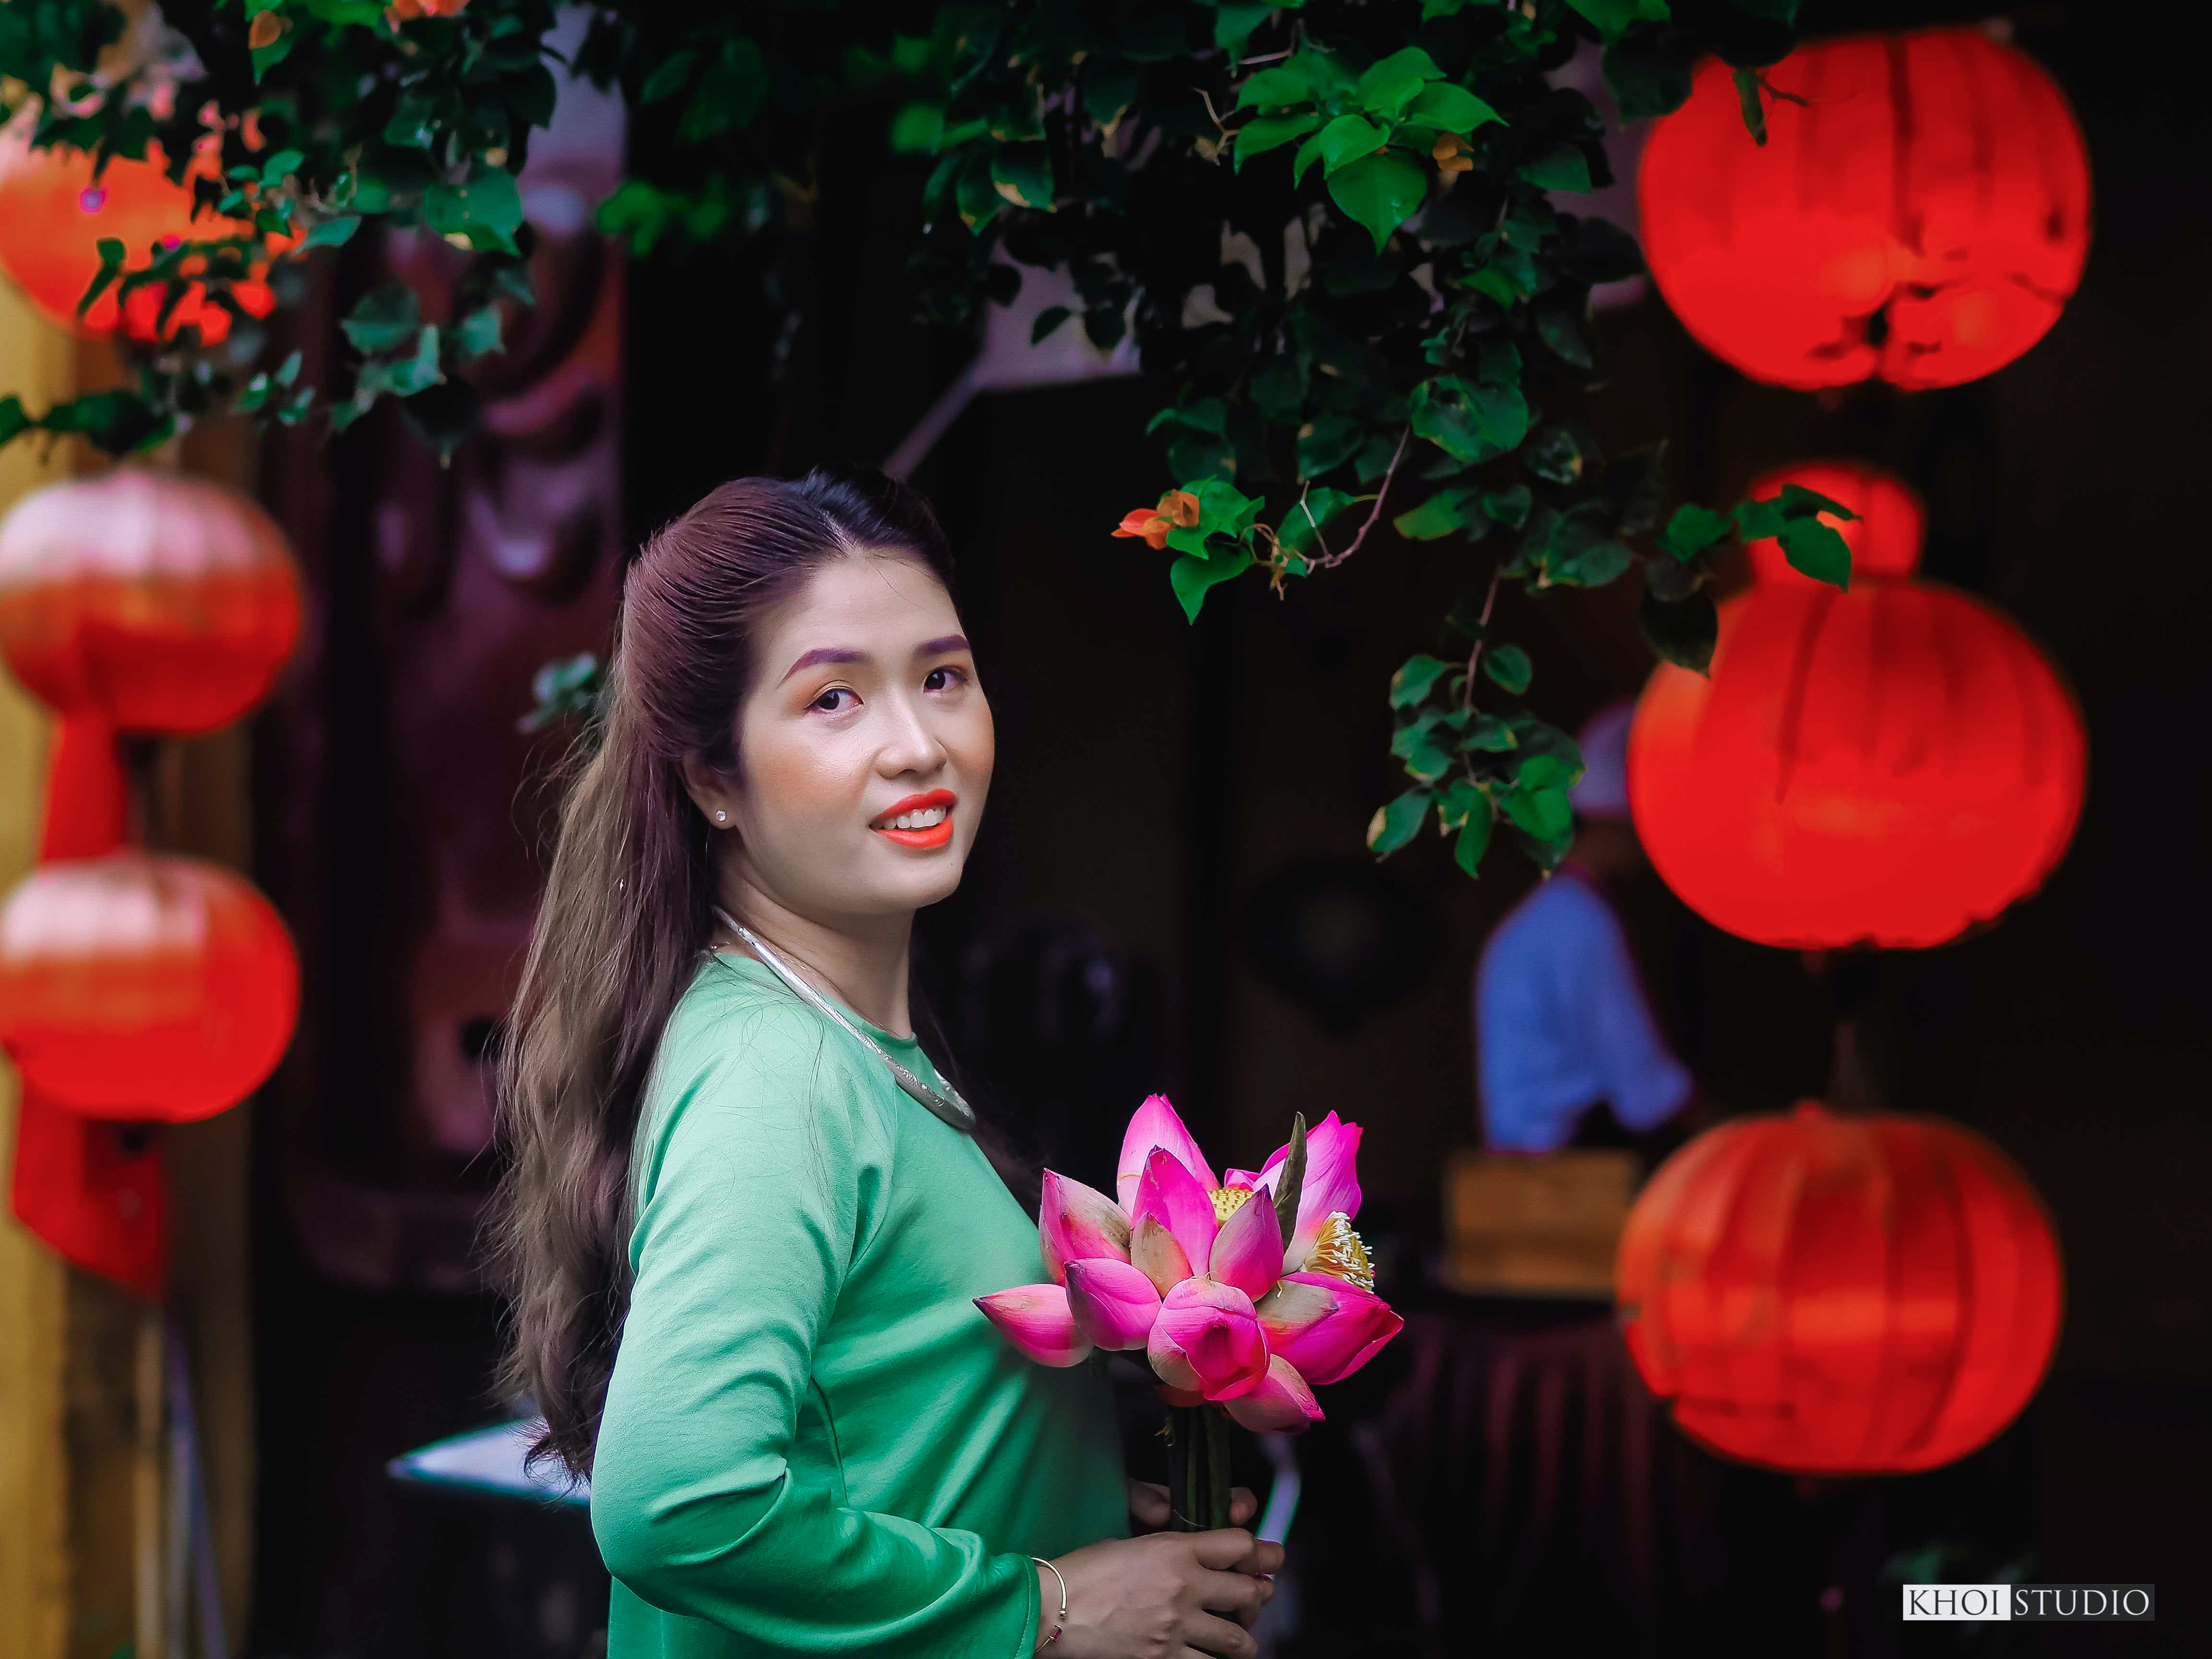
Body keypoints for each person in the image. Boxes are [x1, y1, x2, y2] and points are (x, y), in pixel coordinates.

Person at [493, 472, 1280, 1659]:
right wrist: (1050, 1606)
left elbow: (868, 1426)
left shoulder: (845, 1041)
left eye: (942, 676)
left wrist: (1076, 1514)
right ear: (713, 777)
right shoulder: (779, 1069)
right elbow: (676, 1498)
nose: (918, 744)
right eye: (834, 698)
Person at [1473, 701, 1694, 1161]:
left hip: (1526, 1166)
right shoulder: (1581, 922)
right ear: (1618, 824)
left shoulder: (1553, 916)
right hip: (1562, 1171)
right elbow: (1643, 1088)